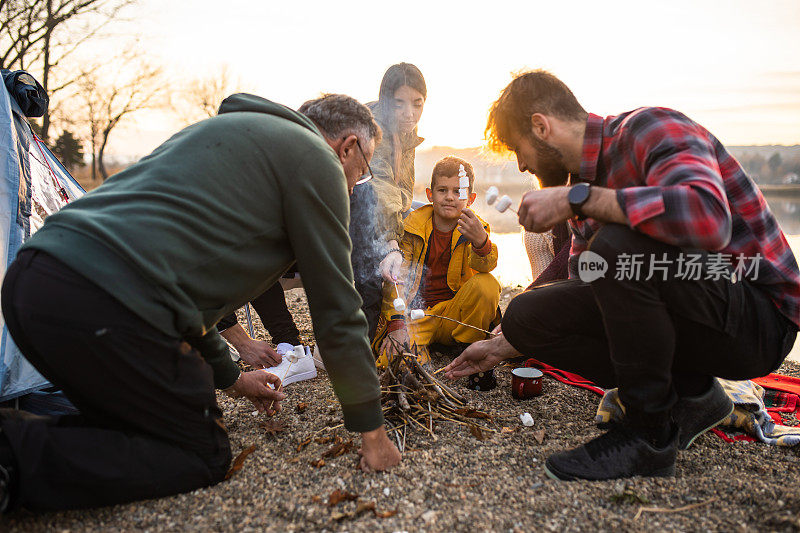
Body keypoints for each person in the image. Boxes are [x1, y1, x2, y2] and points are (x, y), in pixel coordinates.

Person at [0, 93, 401, 512]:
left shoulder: (224, 134)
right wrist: (372, 432)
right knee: (198, 451)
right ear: (348, 146)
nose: (355, 184)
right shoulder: (317, 160)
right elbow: (337, 309)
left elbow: (185, 293)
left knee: (131, 424)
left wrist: (231, 379)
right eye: (363, 170)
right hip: (105, 302)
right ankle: (10, 458)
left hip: (34, 284)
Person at [444, 70, 800, 481]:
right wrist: (505, 342)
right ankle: (694, 395)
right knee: (527, 315)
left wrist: (579, 200)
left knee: (614, 247)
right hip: (696, 313)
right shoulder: (581, 186)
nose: (522, 165)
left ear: (541, 127)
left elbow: (707, 217)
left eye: (518, 150)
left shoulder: (651, 128)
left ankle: (647, 436)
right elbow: (592, 294)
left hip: (758, 318)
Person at [223, 62, 428, 351]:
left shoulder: (394, 137)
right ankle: (295, 342)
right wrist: (239, 346)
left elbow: (391, 190)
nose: (409, 113)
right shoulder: (277, 167)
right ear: (345, 148)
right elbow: (204, 273)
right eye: (400, 104)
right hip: (168, 276)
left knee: (367, 250)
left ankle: (359, 337)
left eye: (417, 104)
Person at [373, 156, 500, 366]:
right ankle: (421, 349)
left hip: (455, 315)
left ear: (471, 198)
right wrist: (396, 324)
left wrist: (481, 242)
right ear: (430, 195)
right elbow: (396, 279)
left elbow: (485, 266)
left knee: (487, 284)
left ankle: (466, 345)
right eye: (442, 190)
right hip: (417, 316)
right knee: (393, 362)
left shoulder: (475, 228)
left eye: (458, 192)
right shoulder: (412, 227)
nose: (450, 197)